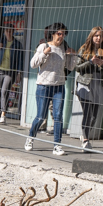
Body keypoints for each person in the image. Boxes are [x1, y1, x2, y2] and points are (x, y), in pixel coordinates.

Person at [26, 23, 74, 155]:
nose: (62, 36)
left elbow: (70, 67)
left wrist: (72, 56)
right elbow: (33, 64)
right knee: (41, 116)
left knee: (58, 116)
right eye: (59, 33)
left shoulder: (64, 48)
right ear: (53, 34)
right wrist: (44, 54)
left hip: (59, 86)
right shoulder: (44, 46)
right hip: (43, 86)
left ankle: (57, 145)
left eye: (64, 33)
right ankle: (30, 138)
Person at [73, 27, 103, 147]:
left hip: (98, 84)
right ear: (91, 36)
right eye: (96, 35)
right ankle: (86, 140)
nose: (98, 38)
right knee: (88, 113)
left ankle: (85, 133)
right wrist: (90, 62)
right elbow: (77, 68)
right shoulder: (84, 49)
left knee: (94, 116)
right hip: (85, 84)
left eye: (100, 36)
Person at [0, 30, 22, 123]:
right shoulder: (0, 41)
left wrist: (19, 73)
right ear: (4, 32)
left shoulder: (17, 44)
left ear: (13, 32)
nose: (8, 33)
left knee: (4, 91)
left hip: (10, 71)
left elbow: (20, 59)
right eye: (7, 31)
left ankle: (3, 113)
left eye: (10, 31)